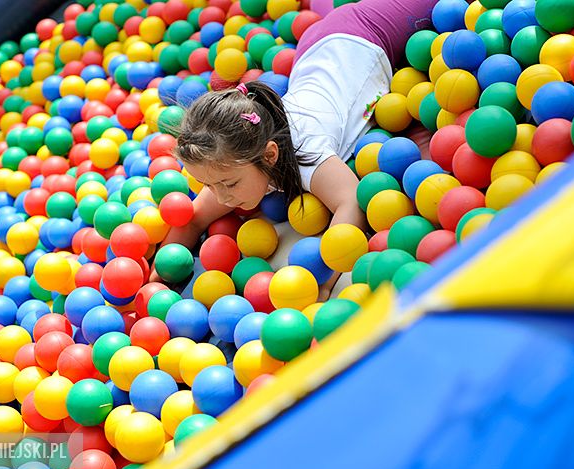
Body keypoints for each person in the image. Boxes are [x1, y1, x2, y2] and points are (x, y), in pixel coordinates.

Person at [155, 0, 438, 298]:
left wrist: (325, 282)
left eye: (229, 184)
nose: (222, 197)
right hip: (314, 51)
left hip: (364, 36)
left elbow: (351, 200)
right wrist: (154, 280)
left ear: (270, 155)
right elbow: (195, 218)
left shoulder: (306, 150)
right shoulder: (234, 160)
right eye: (209, 184)